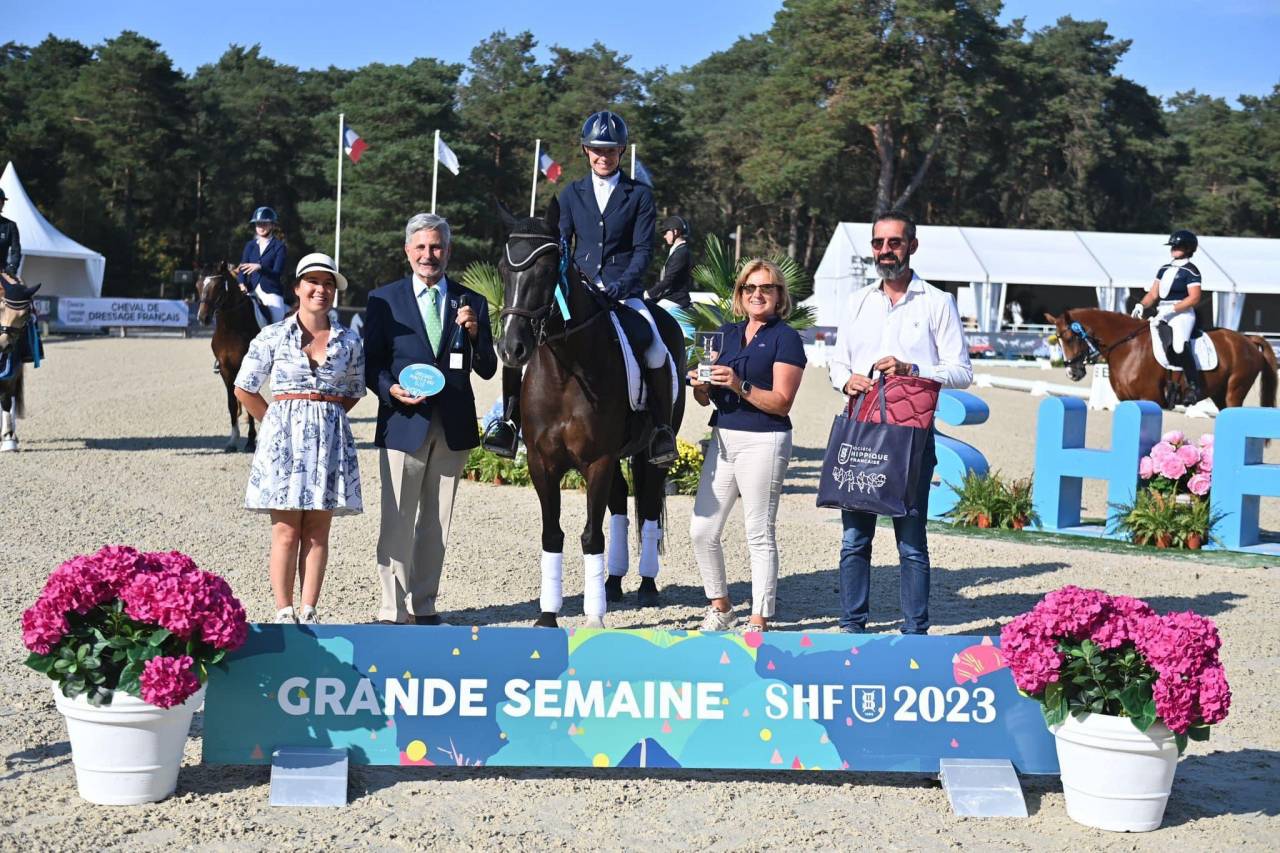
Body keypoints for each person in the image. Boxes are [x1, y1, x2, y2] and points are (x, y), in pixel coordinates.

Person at [483, 109, 677, 466]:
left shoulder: (639, 195)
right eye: (597, 150)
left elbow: (643, 250)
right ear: (586, 151)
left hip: (623, 292)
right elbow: (563, 245)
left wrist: (623, 285)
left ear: (621, 152)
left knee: (654, 348)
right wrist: (567, 281)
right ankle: (509, 422)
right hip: (578, 290)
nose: (604, 157)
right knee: (522, 345)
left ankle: (661, 430)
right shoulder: (572, 193)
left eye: (611, 150)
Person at [827, 210, 972, 635]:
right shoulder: (857, 301)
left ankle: (915, 632)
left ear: (912, 245)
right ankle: (852, 626)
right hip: (860, 432)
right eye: (878, 243)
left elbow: (961, 371)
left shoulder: (937, 302)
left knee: (911, 543)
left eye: (894, 242)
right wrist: (845, 379)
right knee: (854, 541)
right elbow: (837, 362)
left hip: (910, 437)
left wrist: (912, 368)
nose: (885, 251)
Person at [362, 213, 498, 625]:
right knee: (397, 521)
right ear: (407, 251)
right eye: (420, 247)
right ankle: (391, 607)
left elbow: (489, 368)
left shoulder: (470, 301)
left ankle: (424, 605)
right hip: (404, 420)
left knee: (436, 524)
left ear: (448, 251)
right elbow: (372, 365)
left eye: (436, 247)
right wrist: (389, 389)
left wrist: (475, 335)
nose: (428, 255)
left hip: (452, 424)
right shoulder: (383, 300)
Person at [233, 253, 364, 624]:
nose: (320, 290)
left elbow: (354, 390)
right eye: (313, 282)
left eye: (327, 284)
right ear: (298, 288)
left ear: (334, 292)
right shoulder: (272, 335)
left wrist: (325, 417)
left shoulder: (349, 340)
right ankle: (283, 609)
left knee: (319, 531)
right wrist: (275, 422)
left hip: (329, 442)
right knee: (287, 530)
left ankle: (309, 610)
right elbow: (244, 387)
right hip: (283, 444)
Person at [688, 259, 805, 633]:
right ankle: (721, 606)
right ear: (739, 294)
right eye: (749, 288)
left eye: (765, 288)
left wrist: (739, 385)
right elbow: (705, 400)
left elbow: (783, 401)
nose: (757, 294)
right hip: (724, 435)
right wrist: (702, 386)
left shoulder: (786, 337)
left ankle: (759, 618)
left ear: (778, 295)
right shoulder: (724, 333)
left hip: (765, 439)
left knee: (758, 531)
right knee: (702, 530)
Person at [1132, 229, 1204, 403]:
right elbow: (1153, 294)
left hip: (1182, 313)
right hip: (1162, 312)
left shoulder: (1191, 271)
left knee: (1179, 345)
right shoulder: (1164, 269)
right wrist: (1141, 305)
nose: (1173, 249)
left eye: (1177, 246)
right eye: (1172, 246)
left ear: (1188, 248)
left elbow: (1194, 297)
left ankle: (1194, 386)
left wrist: (1173, 308)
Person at [238, 206, 288, 324]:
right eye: (258, 224)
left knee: (277, 324)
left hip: (271, 292)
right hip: (250, 291)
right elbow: (242, 268)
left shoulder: (279, 246)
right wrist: (241, 283)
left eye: (264, 224)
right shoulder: (250, 246)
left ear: (272, 225)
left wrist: (260, 267)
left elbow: (277, 273)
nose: (261, 227)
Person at [648, 215, 693, 310]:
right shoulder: (678, 250)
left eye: (666, 232)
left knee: (653, 312)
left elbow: (668, 279)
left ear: (675, 231)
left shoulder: (681, 252)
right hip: (670, 296)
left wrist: (648, 293)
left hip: (677, 299)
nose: (664, 236)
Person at [0, 187, 21, 281]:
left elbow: (15, 251)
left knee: (19, 291)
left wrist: (12, 267)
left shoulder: (10, 226)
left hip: (1, 272)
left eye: (1, 201)